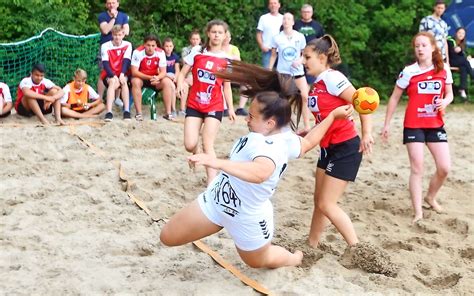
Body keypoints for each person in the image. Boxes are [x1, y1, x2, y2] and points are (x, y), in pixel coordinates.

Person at [160, 60, 354, 269]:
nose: (247, 120)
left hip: (248, 217)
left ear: (270, 123)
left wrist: (215, 162)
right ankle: (218, 223)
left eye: (251, 117)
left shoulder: (272, 146)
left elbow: (261, 172)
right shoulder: (285, 136)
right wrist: (332, 116)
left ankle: (295, 258)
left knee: (258, 261)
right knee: (167, 237)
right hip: (217, 200)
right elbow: (307, 142)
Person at [302, 35, 374, 248]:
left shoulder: (333, 78)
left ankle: (357, 248)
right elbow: (326, 115)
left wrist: (367, 133)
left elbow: (363, 102)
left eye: (307, 57)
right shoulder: (317, 84)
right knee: (319, 202)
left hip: (345, 147)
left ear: (322, 57)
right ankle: (311, 245)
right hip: (327, 148)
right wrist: (311, 130)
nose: (303, 61)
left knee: (326, 203)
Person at [382, 32, 453, 223]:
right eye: (417, 46)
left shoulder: (443, 68)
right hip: (413, 125)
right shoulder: (409, 71)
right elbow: (395, 97)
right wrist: (387, 124)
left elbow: (450, 94)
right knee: (417, 168)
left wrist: (445, 102)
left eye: (423, 45)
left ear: (432, 48)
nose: (420, 49)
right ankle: (418, 213)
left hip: (435, 124)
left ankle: (430, 196)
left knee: (444, 168)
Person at [177, 19, 236, 185]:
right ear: (208, 33)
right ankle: (195, 153)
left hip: (214, 106)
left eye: (220, 32)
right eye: (214, 32)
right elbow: (182, 73)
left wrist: (231, 108)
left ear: (225, 36)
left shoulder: (227, 59)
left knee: (207, 143)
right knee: (189, 144)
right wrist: (180, 84)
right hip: (195, 104)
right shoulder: (197, 52)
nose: (216, 35)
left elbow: (227, 86)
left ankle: (212, 182)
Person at [268, 13, 311, 134]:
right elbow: (273, 55)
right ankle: (283, 125)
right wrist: (269, 69)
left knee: (304, 97)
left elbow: (305, 54)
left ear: (293, 22)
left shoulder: (300, 36)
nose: (286, 21)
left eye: (288, 19)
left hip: (298, 72)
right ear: (282, 22)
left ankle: (307, 125)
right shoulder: (277, 37)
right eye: (284, 19)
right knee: (283, 99)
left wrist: (300, 61)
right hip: (283, 73)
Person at [131, 34, 175, 121]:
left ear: (156, 46)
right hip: (142, 78)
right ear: (144, 45)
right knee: (135, 81)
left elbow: (163, 72)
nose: (150, 48)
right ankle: (139, 113)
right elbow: (134, 72)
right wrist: (150, 77)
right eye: (148, 45)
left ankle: (168, 113)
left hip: (155, 79)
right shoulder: (137, 52)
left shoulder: (161, 52)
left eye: (153, 45)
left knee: (167, 82)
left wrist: (157, 78)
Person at [97, 0, 130, 105]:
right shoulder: (102, 16)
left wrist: (119, 33)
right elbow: (105, 30)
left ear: (118, 4)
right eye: (109, 3)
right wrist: (114, 18)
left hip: (120, 48)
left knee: (119, 71)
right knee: (103, 72)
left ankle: (117, 98)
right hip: (106, 48)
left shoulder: (124, 16)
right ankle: (100, 98)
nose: (111, 5)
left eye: (113, 3)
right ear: (106, 4)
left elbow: (127, 31)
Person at [101, 25, 132, 121]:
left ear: (123, 35)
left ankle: (126, 111)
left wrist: (122, 74)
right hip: (109, 72)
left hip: (122, 71)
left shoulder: (128, 44)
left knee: (124, 82)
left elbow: (126, 61)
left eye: (119, 35)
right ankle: (109, 112)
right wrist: (113, 76)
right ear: (112, 35)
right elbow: (105, 64)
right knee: (112, 82)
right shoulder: (105, 46)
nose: (117, 37)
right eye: (115, 35)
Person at [294, 3, 325, 85]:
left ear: (312, 13)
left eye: (308, 12)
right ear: (301, 13)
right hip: (298, 54)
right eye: (304, 12)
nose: (306, 14)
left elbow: (322, 40)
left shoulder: (317, 26)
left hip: (313, 55)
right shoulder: (295, 25)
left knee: (311, 78)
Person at [222, 30, 248, 116]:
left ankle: (240, 108)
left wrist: (227, 56)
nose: (226, 39)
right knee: (219, 83)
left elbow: (238, 60)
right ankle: (224, 108)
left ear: (230, 38)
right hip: (221, 72)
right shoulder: (217, 48)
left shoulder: (234, 48)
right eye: (224, 37)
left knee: (247, 83)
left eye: (227, 37)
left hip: (232, 72)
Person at [447, 27, 473, 101]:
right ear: (456, 33)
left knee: (464, 68)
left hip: (460, 62)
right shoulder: (451, 41)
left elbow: (462, 55)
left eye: (463, 33)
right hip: (451, 61)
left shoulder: (463, 43)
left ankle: (462, 89)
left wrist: (467, 55)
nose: (461, 35)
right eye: (459, 33)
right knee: (465, 62)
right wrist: (456, 50)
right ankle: (472, 74)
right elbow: (451, 54)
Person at [180, 30, 202, 113]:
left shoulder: (203, 50)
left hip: (199, 73)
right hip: (188, 73)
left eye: (197, 39)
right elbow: (185, 63)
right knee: (185, 84)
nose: (195, 41)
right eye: (193, 39)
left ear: (200, 40)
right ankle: (182, 109)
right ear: (190, 39)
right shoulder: (185, 50)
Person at [256, 0, 283, 68]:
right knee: (267, 73)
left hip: (281, 50)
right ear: (268, 6)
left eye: (275, 3)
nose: (273, 5)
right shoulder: (263, 18)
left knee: (281, 74)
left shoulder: (283, 18)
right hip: (268, 51)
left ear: (279, 5)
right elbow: (259, 34)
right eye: (271, 3)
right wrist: (262, 46)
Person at [163, 37, 183, 116]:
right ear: (163, 47)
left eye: (170, 46)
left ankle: (182, 109)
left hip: (173, 76)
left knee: (183, 85)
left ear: (173, 47)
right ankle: (173, 109)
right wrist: (168, 76)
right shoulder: (161, 56)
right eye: (166, 46)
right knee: (172, 87)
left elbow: (177, 70)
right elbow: (160, 70)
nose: (168, 48)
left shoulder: (175, 56)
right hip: (165, 76)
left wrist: (176, 77)